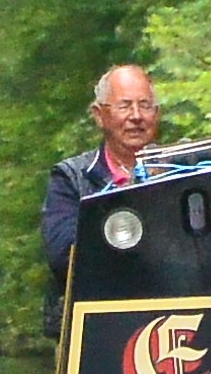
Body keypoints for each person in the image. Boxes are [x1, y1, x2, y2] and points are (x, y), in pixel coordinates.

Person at [40, 64, 161, 336]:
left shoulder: (183, 170)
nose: (136, 116)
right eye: (124, 106)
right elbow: (62, 256)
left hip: (171, 320)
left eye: (145, 106)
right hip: (92, 329)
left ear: (157, 114)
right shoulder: (70, 178)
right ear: (99, 115)